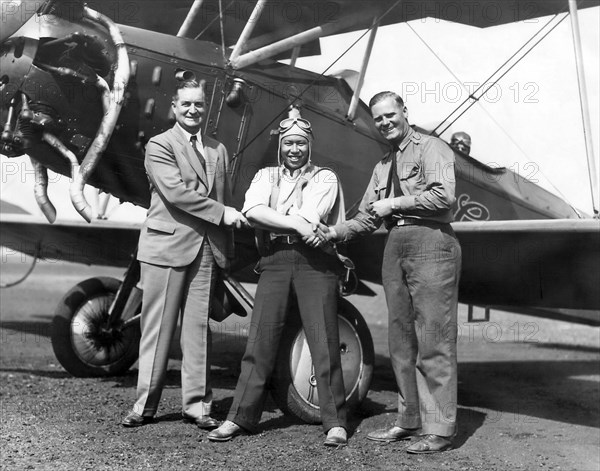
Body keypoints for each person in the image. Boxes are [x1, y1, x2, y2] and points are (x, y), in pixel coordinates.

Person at [322, 92, 462, 453]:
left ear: (404, 112)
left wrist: (396, 203)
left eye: (390, 115)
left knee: (433, 337)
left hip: (431, 241)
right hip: (395, 243)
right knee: (400, 339)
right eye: (379, 119)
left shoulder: (433, 148)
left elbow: (444, 196)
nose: (385, 122)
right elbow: (370, 216)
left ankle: (440, 429)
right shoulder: (383, 165)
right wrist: (335, 231)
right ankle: (409, 419)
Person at [207, 110, 348, 447]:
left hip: (315, 262)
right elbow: (252, 210)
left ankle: (335, 421)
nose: (294, 149)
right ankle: (239, 417)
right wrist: (296, 224)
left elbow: (309, 215)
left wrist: (283, 219)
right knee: (260, 340)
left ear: (309, 146)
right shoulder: (265, 175)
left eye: (300, 143)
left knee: (323, 340)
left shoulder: (325, 177)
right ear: (280, 146)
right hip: (274, 259)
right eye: (288, 143)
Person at [122, 79, 247, 428]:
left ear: (205, 109)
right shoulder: (159, 145)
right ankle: (145, 406)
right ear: (174, 108)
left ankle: (198, 407)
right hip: (165, 248)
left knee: (197, 331)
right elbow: (176, 193)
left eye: (199, 105)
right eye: (186, 104)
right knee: (157, 329)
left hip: (206, 250)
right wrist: (222, 214)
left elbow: (222, 194)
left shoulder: (218, 149)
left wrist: (226, 243)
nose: (193, 110)